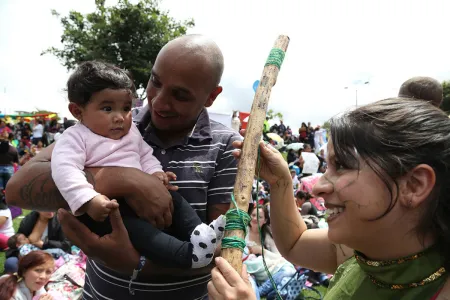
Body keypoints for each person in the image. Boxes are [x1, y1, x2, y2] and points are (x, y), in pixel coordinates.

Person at [6, 34, 241, 300]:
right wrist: (124, 179)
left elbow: (225, 253)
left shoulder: (228, 148)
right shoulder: (108, 121)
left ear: (211, 96)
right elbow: (16, 190)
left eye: (180, 95)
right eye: (156, 81)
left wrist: (132, 263)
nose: (159, 101)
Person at [209, 98, 450, 299]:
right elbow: (295, 243)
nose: (318, 188)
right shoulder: (360, 250)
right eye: (327, 166)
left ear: (414, 185)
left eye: (342, 165)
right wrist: (280, 182)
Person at [52, 60, 224, 269]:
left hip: (143, 196)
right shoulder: (75, 137)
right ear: (77, 111)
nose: (120, 117)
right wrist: (88, 200)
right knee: (141, 233)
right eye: (107, 108)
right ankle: (188, 256)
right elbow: (64, 170)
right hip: (111, 208)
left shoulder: (130, 131)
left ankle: (201, 232)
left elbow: (145, 155)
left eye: (126, 108)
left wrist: (156, 173)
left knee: (175, 200)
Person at [4, 211, 70, 274]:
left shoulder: (61, 221)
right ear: (36, 207)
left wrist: (45, 244)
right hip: (29, 256)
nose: (50, 210)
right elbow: (17, 240)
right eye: (45, 208)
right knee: (11, 263)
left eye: (51, 206)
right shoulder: (28, 220)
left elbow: (66, 245)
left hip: (52, 255)